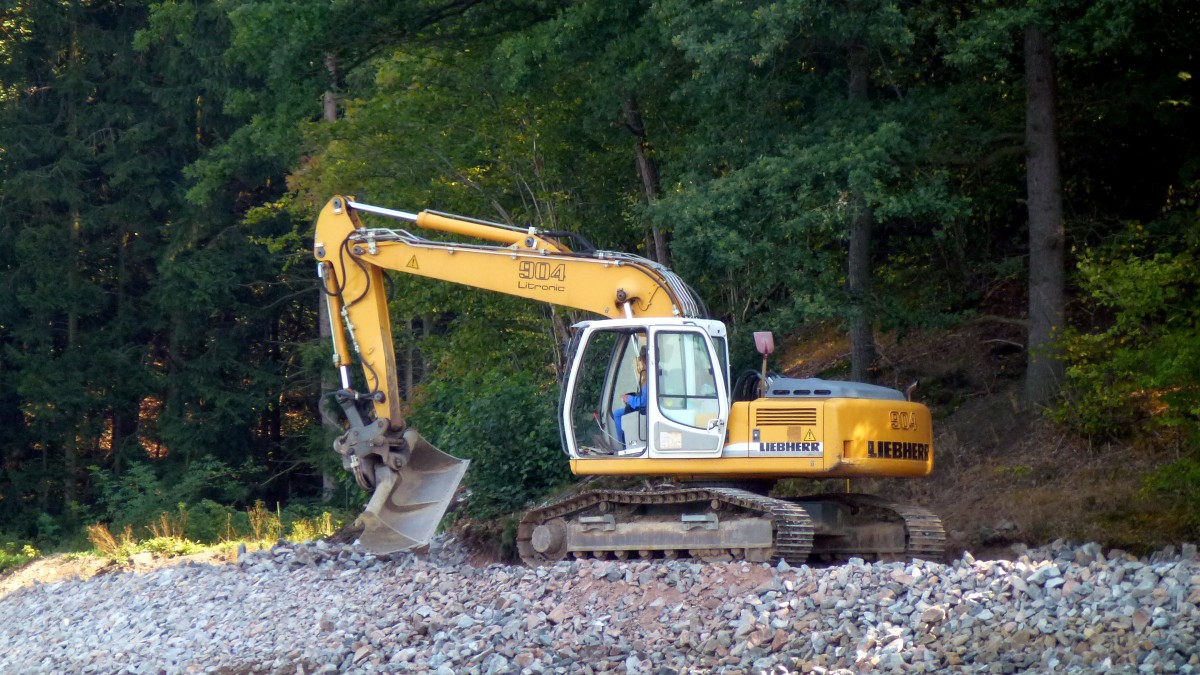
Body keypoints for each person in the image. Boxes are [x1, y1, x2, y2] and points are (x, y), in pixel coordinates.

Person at [613, 352, 648, 447]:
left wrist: (628, 398)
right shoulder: (660, 374)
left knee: (617, 414)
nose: (641, 367)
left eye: (642, 364)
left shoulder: (651, 379)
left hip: (646, 411)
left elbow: (643, 402)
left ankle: (623, 444)